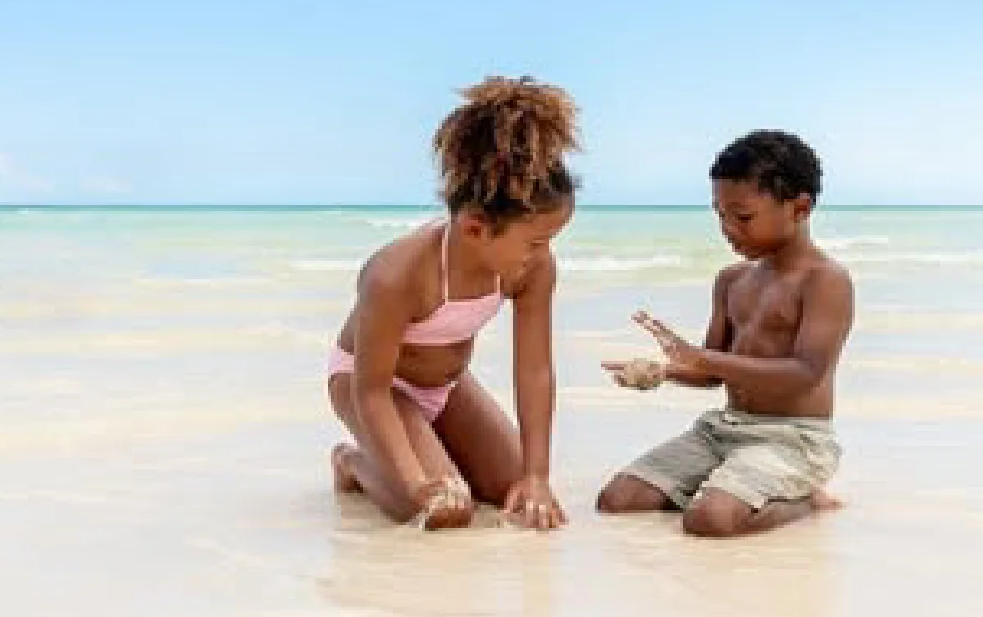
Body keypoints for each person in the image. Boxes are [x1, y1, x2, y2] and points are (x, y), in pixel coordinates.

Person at [327, 76, 579, 530]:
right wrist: (414, 483)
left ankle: (430, 454)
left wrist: (536, 475)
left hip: (447, 386)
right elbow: (371, 389)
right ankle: (353, 464)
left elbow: (534, 370)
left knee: (514, 495)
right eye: (535, 242)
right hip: (373, 388)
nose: (542, 256)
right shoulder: (397, 274)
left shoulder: (532, 270)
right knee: (445, 511)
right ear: (474, 228)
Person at [597, 130, 853, 537]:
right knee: (618, 502)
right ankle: (732, 486)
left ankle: (806, 501)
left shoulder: (824, 281)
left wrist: (702, 358)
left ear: (800, 208)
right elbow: (711, 374)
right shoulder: (732, 280)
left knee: (708, 523)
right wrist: (660, 372)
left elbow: (807, 372)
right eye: (719, 215)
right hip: (725, 428)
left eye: (743, 217)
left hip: (793, 439)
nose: (728, 228)